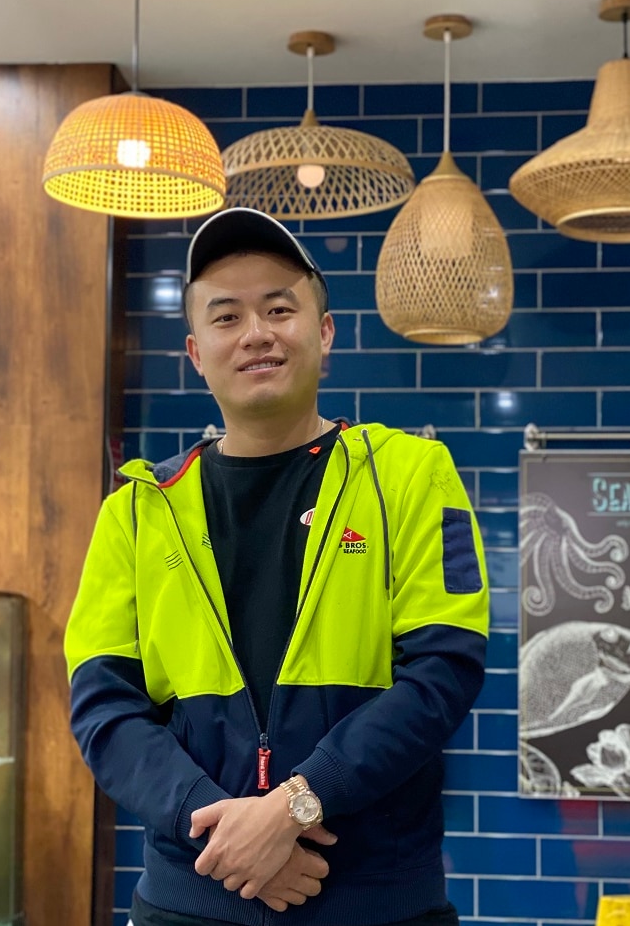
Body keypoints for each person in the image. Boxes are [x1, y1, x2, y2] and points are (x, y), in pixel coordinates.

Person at [64, 206, 489, 926]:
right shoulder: (136, 509)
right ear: (196, 353)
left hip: (377, 900)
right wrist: (226, 829)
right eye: (226, 317)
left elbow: (444, 670)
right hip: (189, 898)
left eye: (279, 308)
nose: (256, 332)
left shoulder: (412, 475)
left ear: (323, 333)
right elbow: (103, 705)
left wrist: (298, 800)